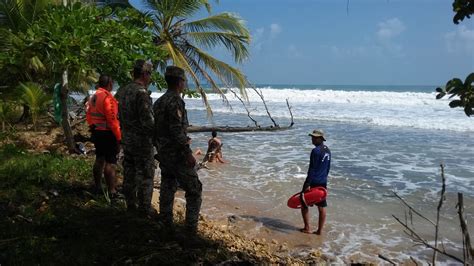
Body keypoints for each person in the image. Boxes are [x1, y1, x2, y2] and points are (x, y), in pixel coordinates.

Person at [153, 66, 202, 237]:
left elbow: (156, 129)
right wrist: (187, 153)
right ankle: (190, 231)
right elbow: (176, 130)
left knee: (168, 185)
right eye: (184, 81)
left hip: (164, 152)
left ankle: (165, 223)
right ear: (180, 82)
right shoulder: (175, 101)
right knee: (195, 189)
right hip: (176, 154)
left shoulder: (159, 102)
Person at [115, 59, 156, 216]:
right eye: (149, 74)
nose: (150, 78)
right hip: (141, 142)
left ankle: (130, 205)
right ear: (145, 74)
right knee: (146, 175)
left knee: (129, 172)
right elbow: (148, 122)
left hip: (127, 139)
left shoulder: (123, 91)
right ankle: (144, 209)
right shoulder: (141, 93)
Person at [86, 74, 121, 196]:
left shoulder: (94, 96)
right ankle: (111, 191)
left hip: (97, 132)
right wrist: (118, 137)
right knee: (110, 162)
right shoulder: (107, 98)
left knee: (99, 159)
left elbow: (89, 114)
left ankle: (97, 186)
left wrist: (93, 127)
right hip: (107, 133)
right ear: (109, 84)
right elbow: (112, 120)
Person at [300, 129, 331, 235]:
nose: (312, 139)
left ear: (321, 138)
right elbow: (328, 168)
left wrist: (308, 183)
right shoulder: (327, 150)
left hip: (313, 181)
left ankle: (307, 228)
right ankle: (319, 231)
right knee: (321, 206)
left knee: (303, 202)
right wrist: (324, 180)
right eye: (312, 137)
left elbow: (312, 168)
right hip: (323, 182)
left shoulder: (315, 151)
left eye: (315, 137)